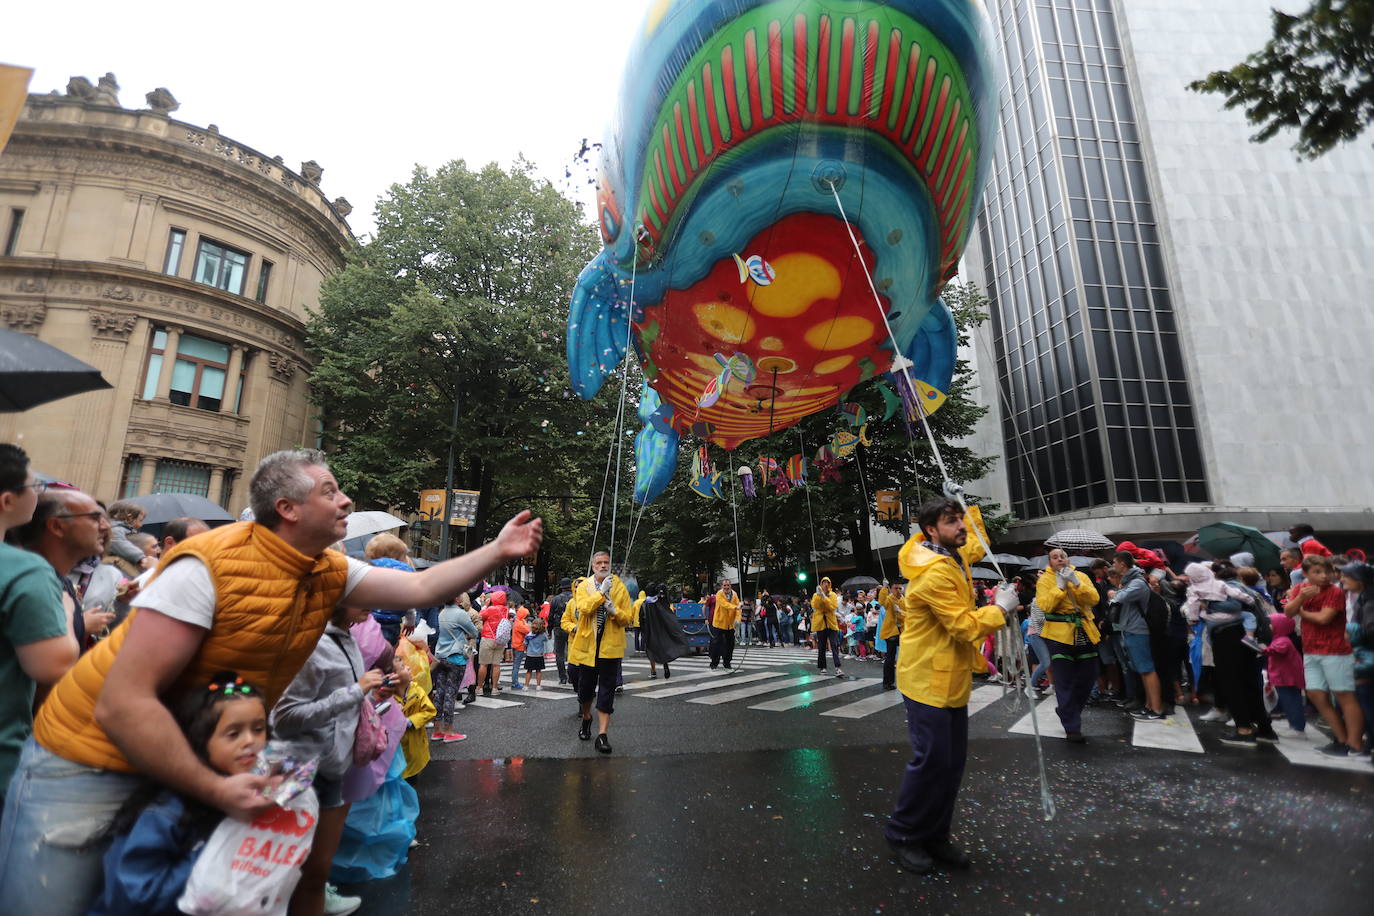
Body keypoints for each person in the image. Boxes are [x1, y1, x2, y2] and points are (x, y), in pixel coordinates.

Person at [0, 448, 542, 915]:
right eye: (330, 491)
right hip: (86, 761)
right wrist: (215, 787)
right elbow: (122, 704)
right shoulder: (205, 567)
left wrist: (497, 549)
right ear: (287, 508)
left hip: (183, 761)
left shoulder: (326, 569)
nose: (346, 502)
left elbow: (420, 587)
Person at [884, 496, 1008, 875]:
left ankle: (936, 834)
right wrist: (1001, 608)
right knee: (931, 762)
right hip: (926, 680)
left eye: (959, 520)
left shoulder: (951, 557)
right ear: (931, 531)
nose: (960, 527)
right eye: (952, 521)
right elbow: (964, 625)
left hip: (951, 678)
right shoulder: (933, 573)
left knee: (951, 764)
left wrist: (969, 508)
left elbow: (975, 541)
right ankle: (904, 833)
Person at [88, 672, 268, 916]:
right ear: (200, 740)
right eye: (233, 733)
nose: (250, 741)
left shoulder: (259, 799)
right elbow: (133, 896)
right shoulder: (167, 810)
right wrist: (220, 857)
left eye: (258, 729)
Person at [272, 601, 393, 916]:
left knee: (316, 873)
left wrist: (378, 693)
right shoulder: (309, 641)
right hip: (298, 770)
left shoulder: (345, 636)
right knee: (284, 871)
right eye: (364, 594)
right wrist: (356, 691)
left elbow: (347, 699)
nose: (375, 602)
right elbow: (284, 716)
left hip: (331, 767)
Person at [0, 446, 79, 806]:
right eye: (35, 485)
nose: (40, 492)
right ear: (7, 501)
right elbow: (53, 665)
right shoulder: (24, 570)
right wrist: (64, 606)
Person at [1184, 562, 1271, 746]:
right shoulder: (1241, 587)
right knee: (1249, 682)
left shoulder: (1219, 588)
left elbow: (1231, 608)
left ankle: (1244, 729)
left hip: (1228, 637)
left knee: (1231, 682)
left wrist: (1205, 607)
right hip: (1247, 637)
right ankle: (1264, 728)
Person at [1285, 555, 1364, 756]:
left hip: (1335, 650)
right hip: (1311, 649)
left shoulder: (1335, 592)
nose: (1324, 576)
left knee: (1343, 694)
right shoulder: (1300, 589)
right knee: (1315, 693)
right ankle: (1341, 739)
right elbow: (1287, 612)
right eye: (1317, 572)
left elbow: (1323, 618)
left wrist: (1301, 612)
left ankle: (1354, 744)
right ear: (1306, 574)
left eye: (1327, 571)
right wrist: (1301, 598)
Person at [568, 551, 633, 753]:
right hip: (588, 649)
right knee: (585, 690)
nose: (603, 565)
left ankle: (602, 735)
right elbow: (584, 608)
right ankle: (587, 718)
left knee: (607, 691)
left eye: (606, 562)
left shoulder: (619, 586)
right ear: (593, 565)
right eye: (599, 562)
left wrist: (614, 610)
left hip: (610, 649)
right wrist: (601, 594)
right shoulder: (584, 586)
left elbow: (627, 618)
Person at [1035, 549, 1101, 743]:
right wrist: (1060, 587)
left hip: (1085, 632)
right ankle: (1072, 727)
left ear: (1068, 559)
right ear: (1049, 562)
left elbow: (1094, 599)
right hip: (1058, 635)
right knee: (1064, 680)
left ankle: (1066, 710)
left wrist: (1076, 583)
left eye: (1062, 556)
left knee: (1088, 678)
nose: (1059, 559)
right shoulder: (1044, 580)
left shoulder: (1080, 575)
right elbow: (1046, 606)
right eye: (1055, 557)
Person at [1109, 552, 1166, 720]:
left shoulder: (1137, 582)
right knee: (1142, 670)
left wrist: (1116, 593)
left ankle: (1156, 709)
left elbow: (1118, 599)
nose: (1113, 566)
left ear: (1122, 564)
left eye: (1114, 562)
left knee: (1147, 669)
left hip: (1138, 630)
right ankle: (1149, 705)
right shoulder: (1130, 582)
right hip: (1131, 629)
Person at [432, 593, 477, 741]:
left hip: (441, 656)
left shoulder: (441, 613)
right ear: (456, 599)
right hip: (456, 657)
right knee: (451, 693)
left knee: (440, 693)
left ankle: (437, 730)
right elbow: (474, 632)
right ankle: (449, 731)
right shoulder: (460, 614)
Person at [1340, 561, 1374, 756]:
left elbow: (1371, 629)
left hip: (1366, 657)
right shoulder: (1362, 598)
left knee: (1366, 701)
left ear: (1360, 579)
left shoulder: (1369, 601)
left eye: (1347, 575)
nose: (1342, 579)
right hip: (1363, 655)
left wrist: (1352, 632)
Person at [1265, 612, 1305, 734]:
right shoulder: (1279, 639)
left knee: (1291, 701)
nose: (1268, 626)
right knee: (1289, 701)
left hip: (1287, 678)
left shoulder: (1282, 641)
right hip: (1284, 677)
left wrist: (1262, 650)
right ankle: (1295, 724)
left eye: (1270, 624)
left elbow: (1277, 650)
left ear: (1280, 626)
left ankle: (1297, 726)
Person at [103, 500, 152, 576]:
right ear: (130, 517)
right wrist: (141, 557)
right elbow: (118, 542)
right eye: (140, 520)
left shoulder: (123, 530)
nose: (141, 525)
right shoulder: (116, 529)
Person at [476, 590, 509, 696]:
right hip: (500, 639)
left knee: (483, 665)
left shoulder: (491, 609)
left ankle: (480, 687)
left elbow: (480, 616)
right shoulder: (506, 610)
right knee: (496, 665)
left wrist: (485, 606)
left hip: (488, 637)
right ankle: (494, 688)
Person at [811, 576, 843, 677]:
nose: (825, 584)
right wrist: (819, 596)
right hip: (821, 624)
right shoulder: (816, 594)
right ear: (821, 584)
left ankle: (838, 667)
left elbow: (832, 606)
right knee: (821, 646)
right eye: (824, 582)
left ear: (829, 584)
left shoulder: (833, 595)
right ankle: (822, 667)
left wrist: (824, 598)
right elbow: (815, 606)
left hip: (831, 623)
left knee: (834, 645)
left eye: (827, 582)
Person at [709, 579, 740, 669]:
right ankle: (714, 663)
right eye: (725, 585)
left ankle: (727, 662)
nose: (726, 587)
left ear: (731, 586)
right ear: (722, 586)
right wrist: (735, 607)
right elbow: (724, 604)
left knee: (730, 644)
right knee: (716, 644)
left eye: (728, 585)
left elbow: (739, 608)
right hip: (719, 623)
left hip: (730, 624)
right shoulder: (719, 594)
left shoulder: (734, 594)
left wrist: (737, 620)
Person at [548, 578, 574, 684]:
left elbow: (550, 616)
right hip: (572, 627)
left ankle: (563, 677)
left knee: (559, 653)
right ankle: (572, 676)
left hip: (559, 627)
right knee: (572, 652)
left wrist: (549, 629)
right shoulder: (575, 598)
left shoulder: (556, 599)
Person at [878, 583, 904, 690]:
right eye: (895, 588)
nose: (898, 590)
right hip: (892, 633)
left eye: (899, 588)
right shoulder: (889, 599)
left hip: (903, 632)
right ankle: (887, 682)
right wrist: (884, 588)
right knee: (890, 658)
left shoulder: (904, 601)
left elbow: (910, 614)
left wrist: (900, 611)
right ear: (891, 589)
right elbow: (882, 601)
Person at [509, 599, 531, 690]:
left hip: (516, 645)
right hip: (519, 646)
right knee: (516, 666)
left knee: (516, 665)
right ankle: (515, 683)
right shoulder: (520, 623)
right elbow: (528, 630)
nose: (527, 618)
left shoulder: (518, 621)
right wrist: (526, 624)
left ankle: (515, 682)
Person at [524, 617, 548, 689]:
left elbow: (525, 643)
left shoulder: (529, 635)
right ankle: (538, 685)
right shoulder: (542, 635)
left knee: (529, 671)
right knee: (538, 671)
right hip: (539, 655)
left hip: (530, 654)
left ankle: (526, 686)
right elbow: (546, 639)